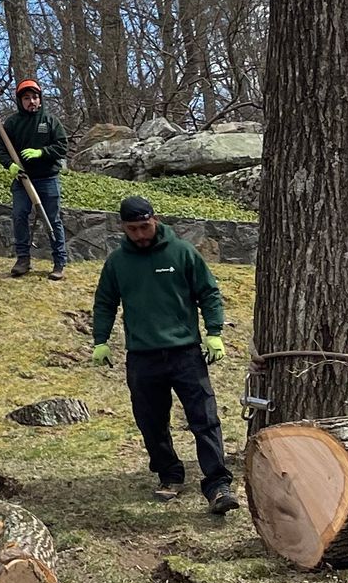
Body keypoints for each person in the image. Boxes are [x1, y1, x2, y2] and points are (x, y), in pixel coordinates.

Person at [90, 192, 239, 513]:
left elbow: (208, 293)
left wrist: (214, 333)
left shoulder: (182, 253)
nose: (140, 235)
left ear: (154, 220)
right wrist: (100, 340)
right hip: (143, 356)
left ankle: (218, 485)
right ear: (123, 228)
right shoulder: (117, 262)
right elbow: (104, 302)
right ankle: (169, 473)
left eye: (144, 226)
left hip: (185, 352)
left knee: (205, 418)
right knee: (151, 420)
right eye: (132, 229)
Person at [0, 79, 68, 279]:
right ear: (20, 101)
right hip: (22, 180)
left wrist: (41, 152)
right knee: (19, 216)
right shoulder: (11, 124)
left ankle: (59, 262)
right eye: (27, 98)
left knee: (52, 220)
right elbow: (2, 150)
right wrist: (9, 164)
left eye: (35, 97)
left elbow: (62, 147)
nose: (31, 101)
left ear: (40, 99)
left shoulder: (50, 121)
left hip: (48, 179)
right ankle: (23, 259)